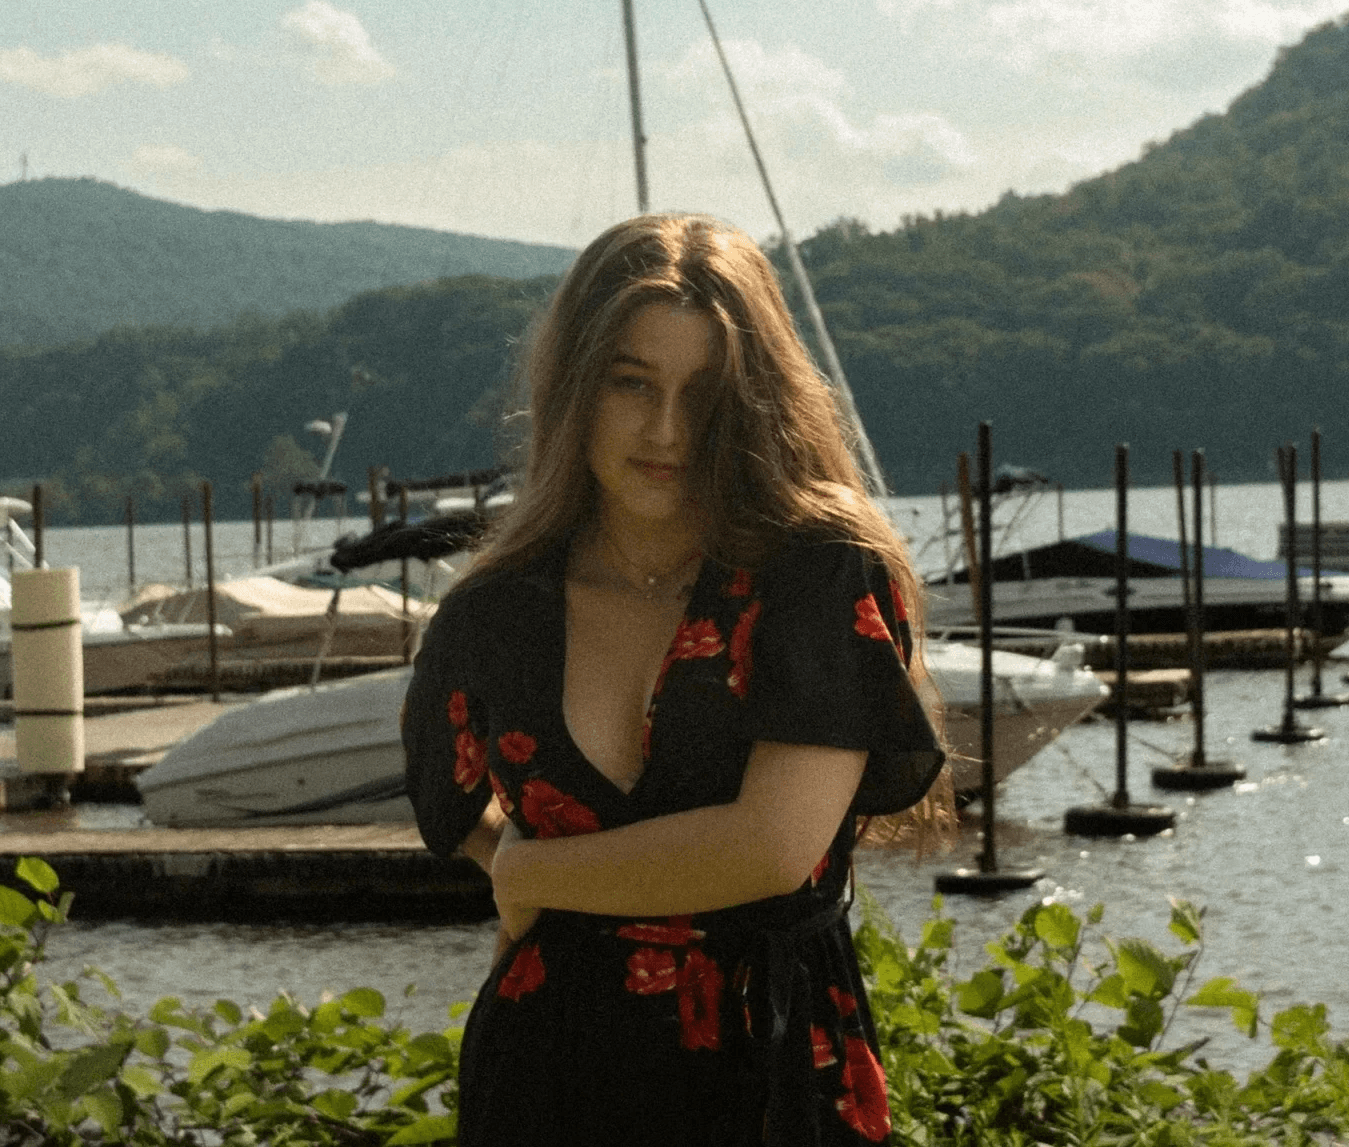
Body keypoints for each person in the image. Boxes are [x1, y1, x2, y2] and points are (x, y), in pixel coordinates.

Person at [402, 213, 946, 1147]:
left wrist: (535, 870)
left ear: (754, 400)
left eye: (704, 393)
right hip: (543, 1079)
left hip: (769, 1074)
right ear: (575, 388)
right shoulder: (496, 612)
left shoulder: (817, 573)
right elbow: (453, 810)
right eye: (632, 383)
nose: (666, 430)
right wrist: (511, 867)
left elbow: (772, 847)